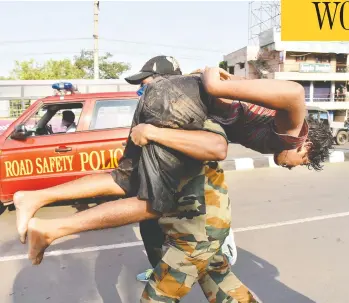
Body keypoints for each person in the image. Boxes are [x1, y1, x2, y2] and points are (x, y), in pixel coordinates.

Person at [14, 65, 333, 302]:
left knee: (126, 179)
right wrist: (211, 82)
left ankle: (34, 198)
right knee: (155, 201)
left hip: (169, 97)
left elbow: (231, 93)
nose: (294, 166)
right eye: (303, 161)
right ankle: (52, 229)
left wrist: (217, 82)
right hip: (180, 105)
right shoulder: (294, 130)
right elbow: (295, 93)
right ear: (307, 145)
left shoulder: (258, 121)